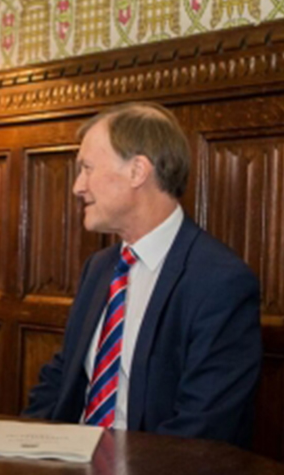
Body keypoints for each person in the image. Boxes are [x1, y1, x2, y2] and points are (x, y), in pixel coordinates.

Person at [23, 102, 261, 447]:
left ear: (137, 171)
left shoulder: (221, 281)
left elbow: (203, 429)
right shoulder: (99, 268)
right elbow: (62, 378)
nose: (77, 186)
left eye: (87, 168)